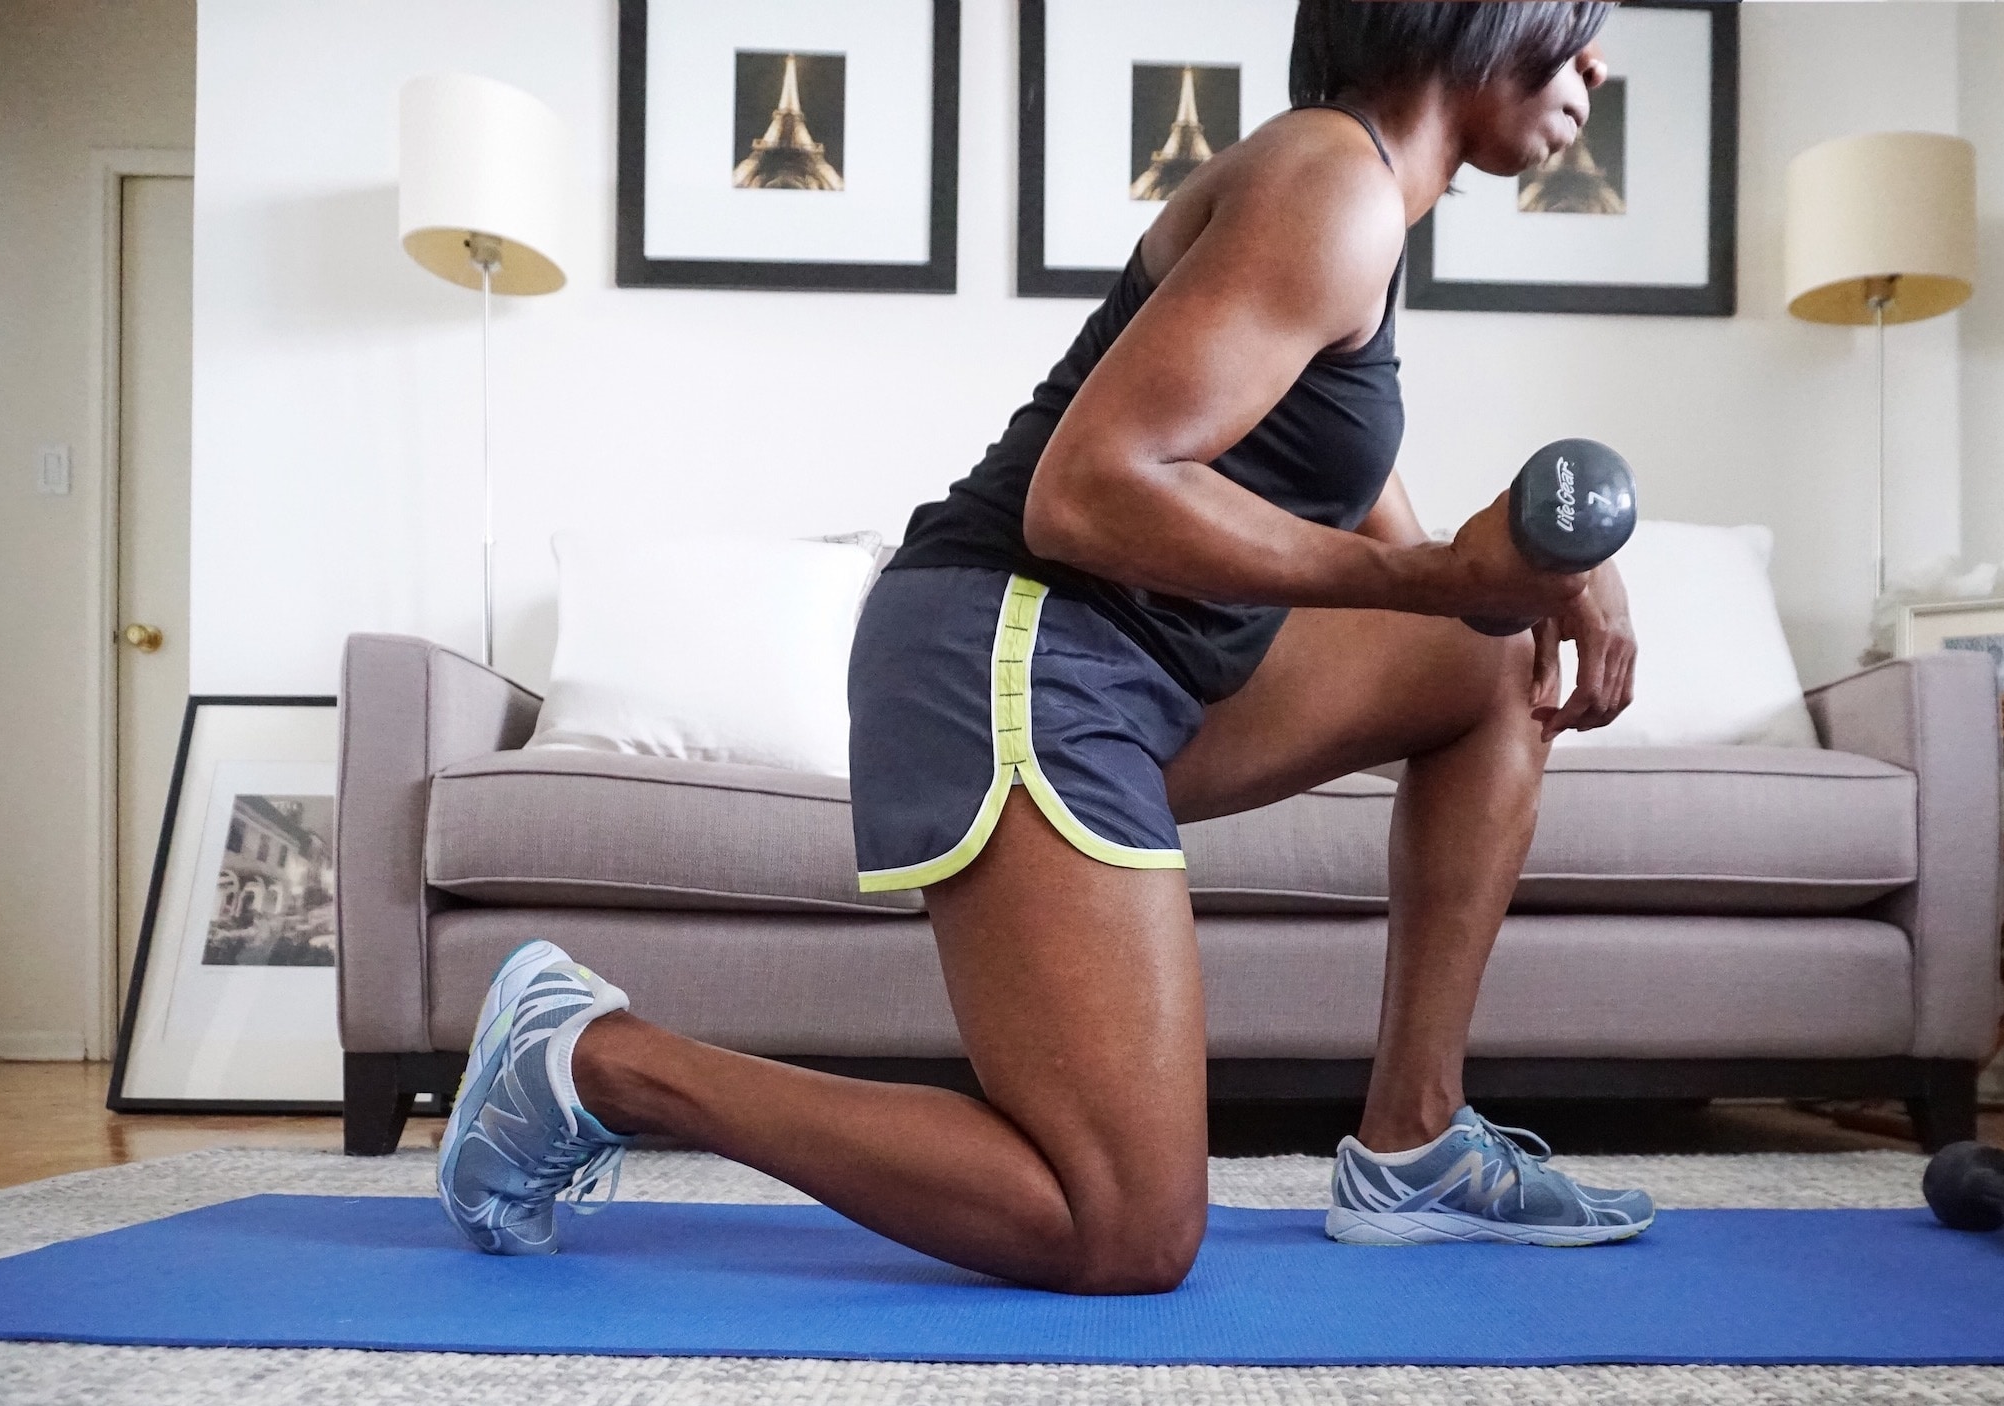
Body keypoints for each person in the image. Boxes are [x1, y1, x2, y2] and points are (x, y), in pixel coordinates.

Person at [436, 0, 1654, 1295]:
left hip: (1138, 674)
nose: (1597, 62)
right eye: (1580, 20)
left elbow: (1383, 536)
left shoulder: (1357, 199)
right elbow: (1084, 495)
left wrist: (1519, 583)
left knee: (1495, 666)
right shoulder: (1332, 179)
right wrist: (1430, 573)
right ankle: (590, 1062)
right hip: (1015, 646)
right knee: (1124, 1228)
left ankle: (1416, 1143)